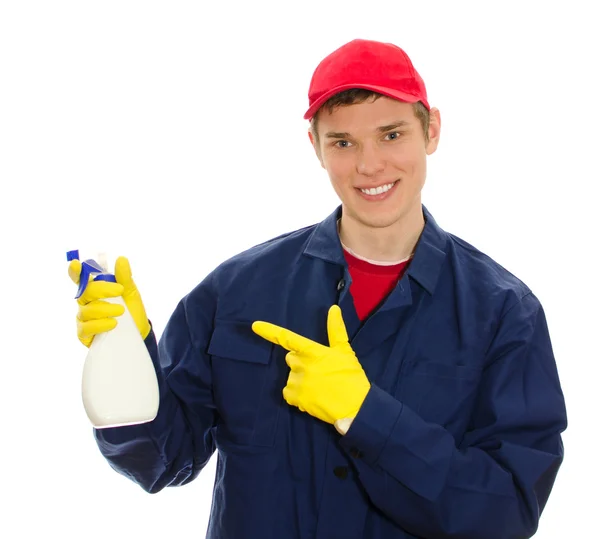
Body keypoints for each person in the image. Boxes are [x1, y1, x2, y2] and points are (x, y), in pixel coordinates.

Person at [67, 38, 568, 539]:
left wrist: (364, 413)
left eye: (391, 134)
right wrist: (126, 363)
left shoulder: (505, 312)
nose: (369, 165)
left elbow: (505, 514)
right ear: (315, 146)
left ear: (431, 130)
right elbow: (163, 460)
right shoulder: (236, 291)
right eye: (343, 142)